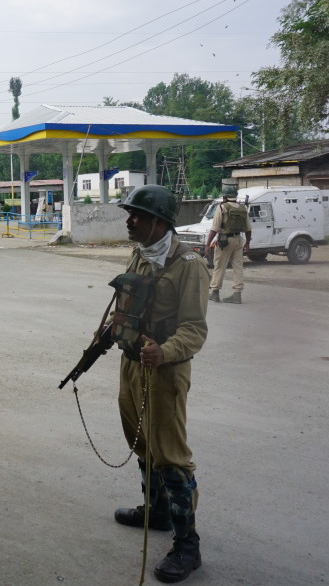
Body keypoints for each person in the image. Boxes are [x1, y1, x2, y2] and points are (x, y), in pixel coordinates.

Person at [112, 184, 209, 583]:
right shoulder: (140, 254)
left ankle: (188, 545)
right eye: (129, 213)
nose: (130, 220)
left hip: (165, 372)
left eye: (137, 215)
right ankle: (157, 511)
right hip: (132, 364)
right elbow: (129, 304)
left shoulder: (189, 265)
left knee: (170, 455)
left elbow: (194, 329)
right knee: (140, 442)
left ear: (159, 222)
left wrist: (164, 352)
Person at [205, 185, 251, 304]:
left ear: (225, 196)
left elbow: (214, 228)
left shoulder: (222, 208)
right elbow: (248, 229)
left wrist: (207, 244)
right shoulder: (242, 208)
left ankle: (215, 293)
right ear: (235, 196)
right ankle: (237, 294)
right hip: (238, 240)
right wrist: (248, 243)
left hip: (225, 241)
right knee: (238, 267)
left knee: (220, 266)